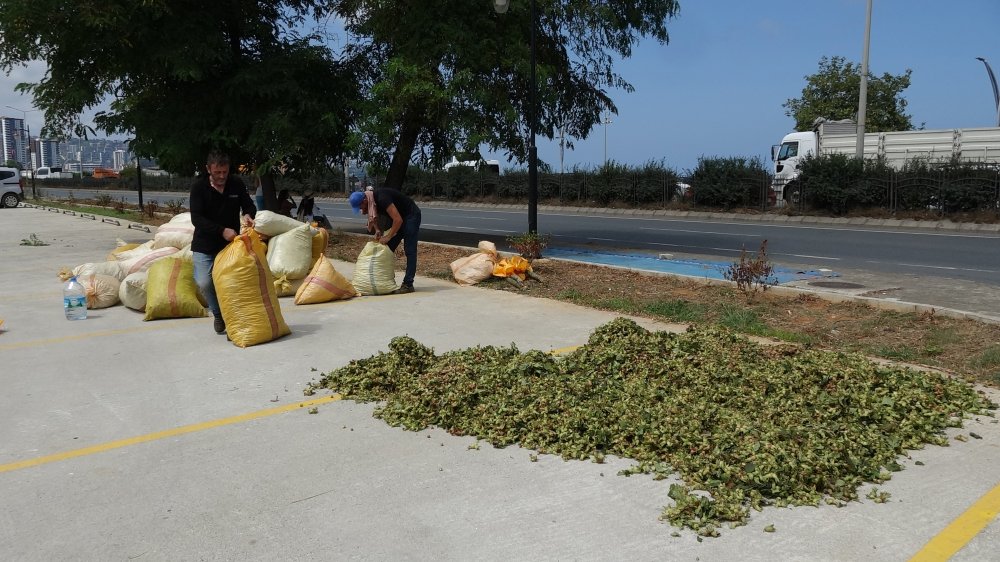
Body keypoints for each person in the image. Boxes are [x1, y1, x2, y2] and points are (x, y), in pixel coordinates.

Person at [189, 150, 257, 334]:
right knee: (205, 282)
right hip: (205, 244)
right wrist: (221, 230)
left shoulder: (236, 183)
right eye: (217, 172)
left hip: (230, 245)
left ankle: (234, 320)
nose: (221, 176)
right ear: (208, 169)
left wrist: (249, 214)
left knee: (234, 281)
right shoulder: (198, 188)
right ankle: (218, 314)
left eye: (224, 172)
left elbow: (248, 204)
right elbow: (197, 218)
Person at [349, 187, 421, 294]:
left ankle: (408, 284)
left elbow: (398, 220)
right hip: (400, 217)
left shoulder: (382, 198)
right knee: (388, 247)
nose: (361, 210)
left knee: (409, 250)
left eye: (360, 207)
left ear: (365, 201)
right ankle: (386, 280)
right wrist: (377, 230)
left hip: (411, 215)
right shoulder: (371, 201)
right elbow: (373, 217)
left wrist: (388, 236)